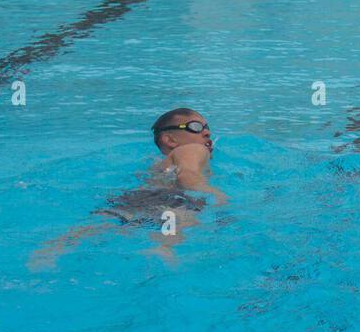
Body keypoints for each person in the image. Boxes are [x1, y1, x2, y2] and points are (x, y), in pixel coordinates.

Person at [29, 108, 226, 269]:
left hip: (135, 197)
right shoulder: (193, 149)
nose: (207, 132)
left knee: (103, 224)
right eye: (195, 126)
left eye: (207, 127)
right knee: (182, 221)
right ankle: (162, 249)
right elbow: (187, 176)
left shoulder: (156, 162)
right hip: (172, 199)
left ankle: (51, 249)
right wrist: (214, 195)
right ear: (170, 140)